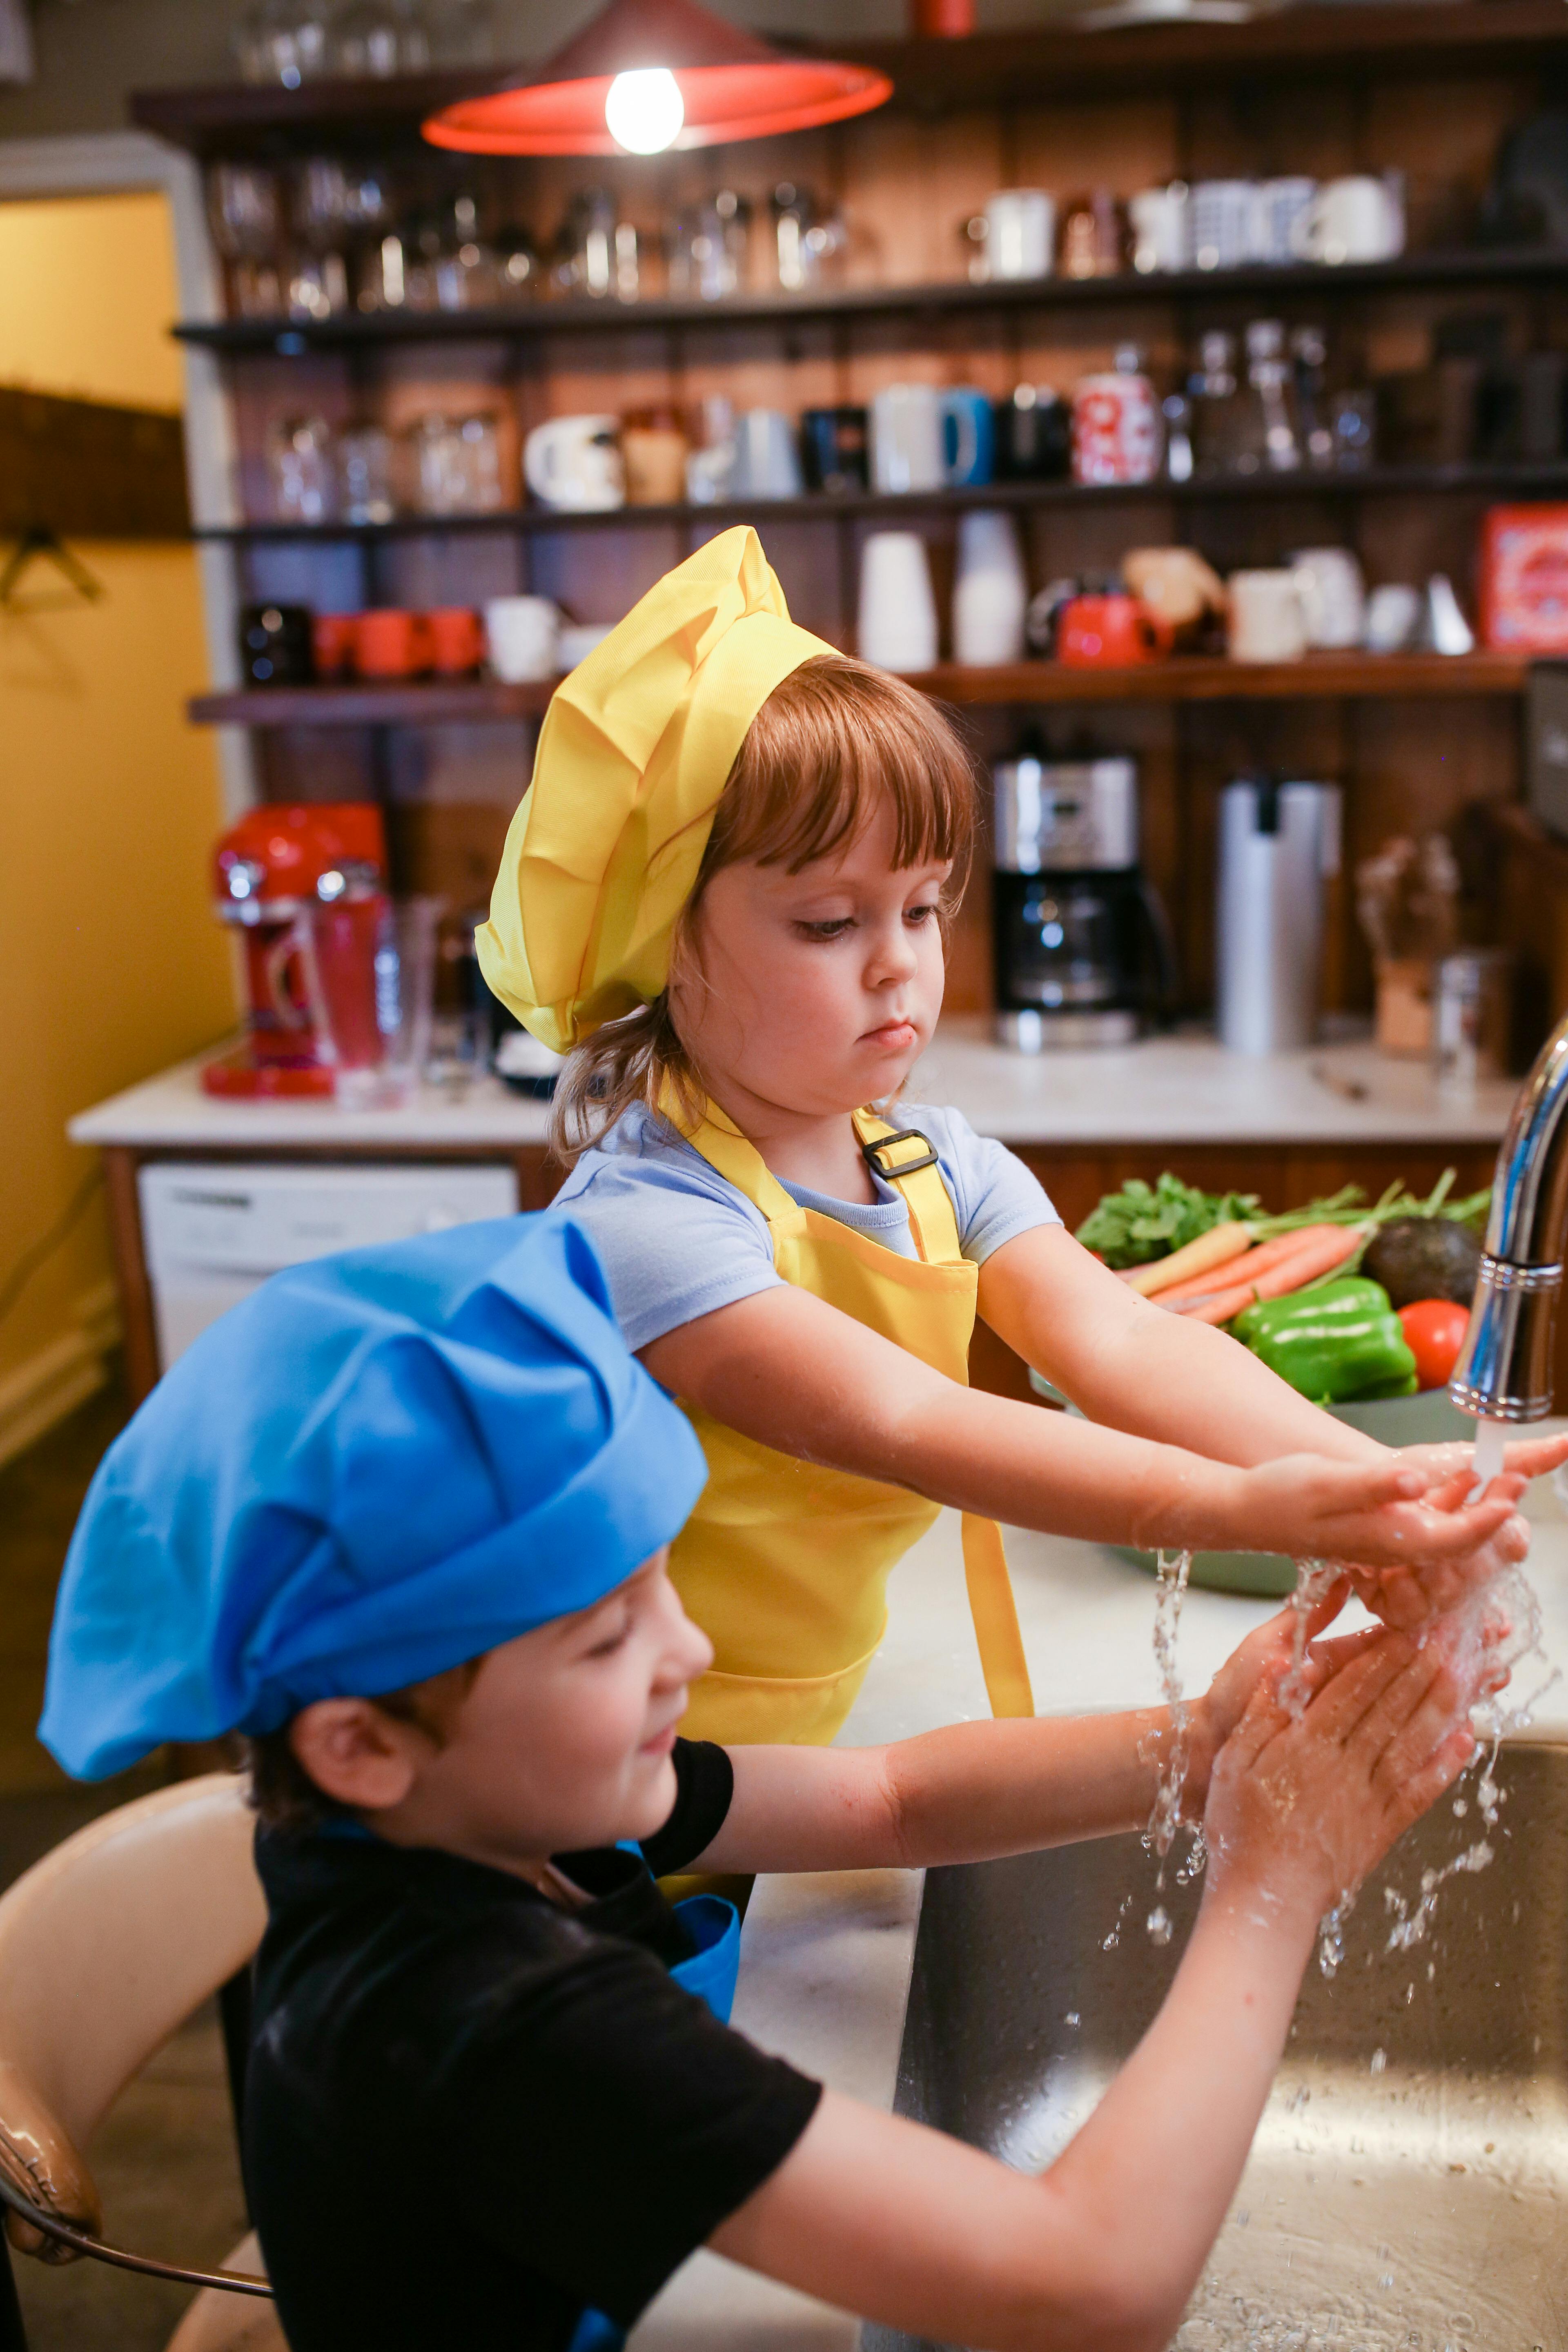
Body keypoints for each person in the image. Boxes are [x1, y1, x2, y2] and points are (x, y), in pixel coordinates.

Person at [42, 1214, 1487, 2352]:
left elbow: (892, 1802)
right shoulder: (500, 2026)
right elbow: (1091, 2290)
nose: (690, 1648)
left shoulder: (474, 1813)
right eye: (610, 1635)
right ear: (359, 1740)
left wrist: (1206, 1741)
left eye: (661, 1586)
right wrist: (1273, 1884)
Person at [476, 525, 1564, 1746]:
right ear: (669, 943)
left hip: (799, 1749)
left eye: (925, 905)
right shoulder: (650, 1228)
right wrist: (1276, 1510)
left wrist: (1384, 1485)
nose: (900, 962)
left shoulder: (935, 1165)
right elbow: (915, 1428)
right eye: (830, 922)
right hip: (615, 1792)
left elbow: (1128, 1343)